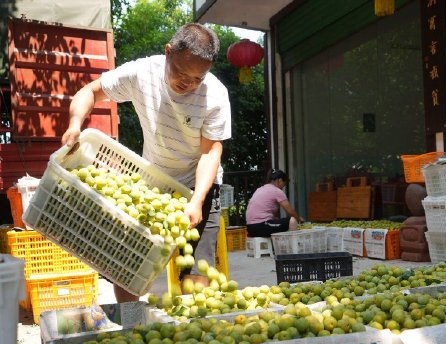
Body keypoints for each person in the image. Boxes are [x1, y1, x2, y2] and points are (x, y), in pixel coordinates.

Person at [61, 23, 231, 302]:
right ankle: (133, 325)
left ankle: (193, 326)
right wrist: (75, 124)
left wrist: (196, 200)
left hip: (199, 186)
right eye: (180, 72)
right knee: (127, 265)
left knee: (196, 272)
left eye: (197, 78)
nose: (187, 83)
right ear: (168, 52)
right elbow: (89, 92)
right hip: (152, 183)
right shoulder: (142, 73)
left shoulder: (215, 95)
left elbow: (210, 152)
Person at [246, 169, 304, 237]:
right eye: (284, 184)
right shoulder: (276, 191)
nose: (283, 187)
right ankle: (291, 246)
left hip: (250, 228)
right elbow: (290, 211)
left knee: (277, 220)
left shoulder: (260, 189)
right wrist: (300, 219)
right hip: (261, 226)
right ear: (279, 180)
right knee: (292, 221)